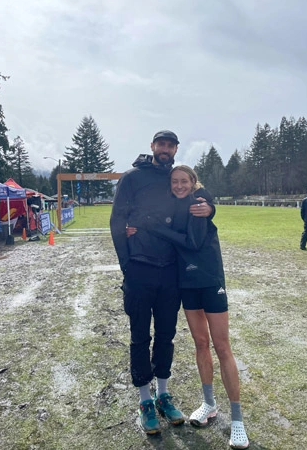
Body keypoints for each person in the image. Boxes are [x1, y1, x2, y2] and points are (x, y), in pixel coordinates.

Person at [127, 165, 249, 449]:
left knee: (222, 346)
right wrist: (132, 227)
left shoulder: (199, 201)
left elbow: (193, 242)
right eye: (175, 181)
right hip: (187, 284)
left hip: (209, 281)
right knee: (200, 343)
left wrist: (208, 208)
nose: (179, 185)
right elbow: (159, 227)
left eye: (184, 181)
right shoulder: (176, 205)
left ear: (193, 182)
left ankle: (237, 420)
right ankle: (209, 404)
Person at [110, 131, 213, 435]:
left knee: (166, 335)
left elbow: (201, 197)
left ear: (175, 149)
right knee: (140, 336)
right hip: (139, 270)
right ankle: (144, 401)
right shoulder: (131, 178)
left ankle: (163, 394)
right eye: (161, 144)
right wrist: (126, 264)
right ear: (152, 147)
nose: (165, 149)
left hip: (170, 273)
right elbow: (117, 220)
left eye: (170, 145)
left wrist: (212, 208)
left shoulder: (176, 180)